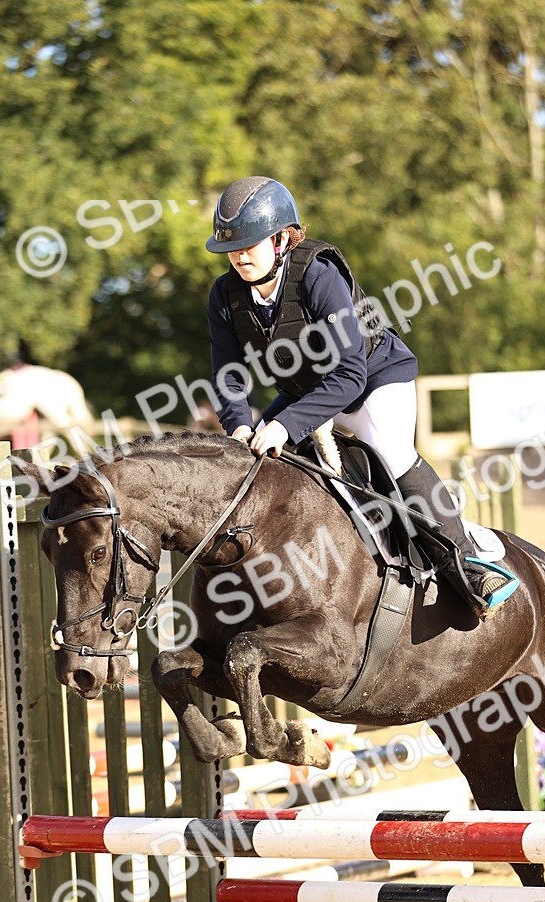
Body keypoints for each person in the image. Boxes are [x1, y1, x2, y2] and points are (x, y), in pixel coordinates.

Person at [205, 176, 518, 618]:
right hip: (309, 393)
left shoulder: (317, 274)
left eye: (249, 244)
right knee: (260, 465)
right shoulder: (224, 296)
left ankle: (468, 564)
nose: (238, 256)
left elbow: (349, 374)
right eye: (231, 249)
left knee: (389, 451)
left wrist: (284, 424)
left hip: (373, 378)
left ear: (280, 239)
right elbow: (228, 378)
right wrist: (240, 426)